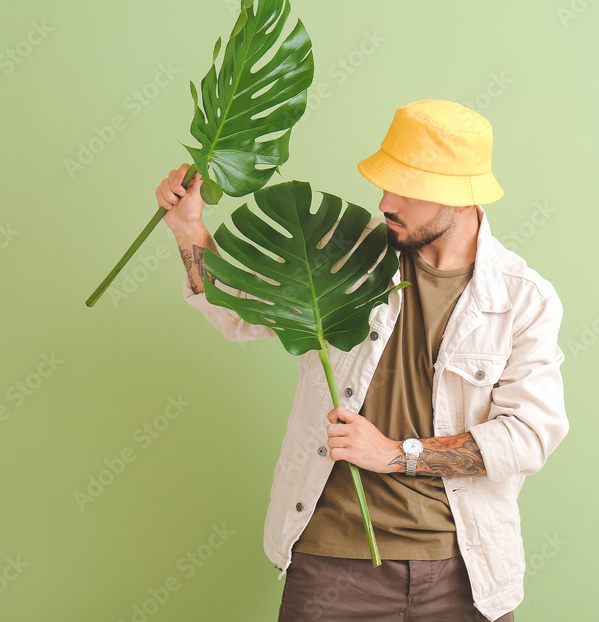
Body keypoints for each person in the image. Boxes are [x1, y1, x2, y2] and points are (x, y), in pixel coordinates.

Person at [155, 99, 568, 621]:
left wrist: (398, 454)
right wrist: (188, 229)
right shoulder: (344, 261)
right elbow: (236, 312)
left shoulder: (522, 299)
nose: (385, 201)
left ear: (460, 200)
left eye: (408, 189)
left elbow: (530, 436)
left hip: (464, 568)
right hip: (333, 562)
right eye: (386, 181)